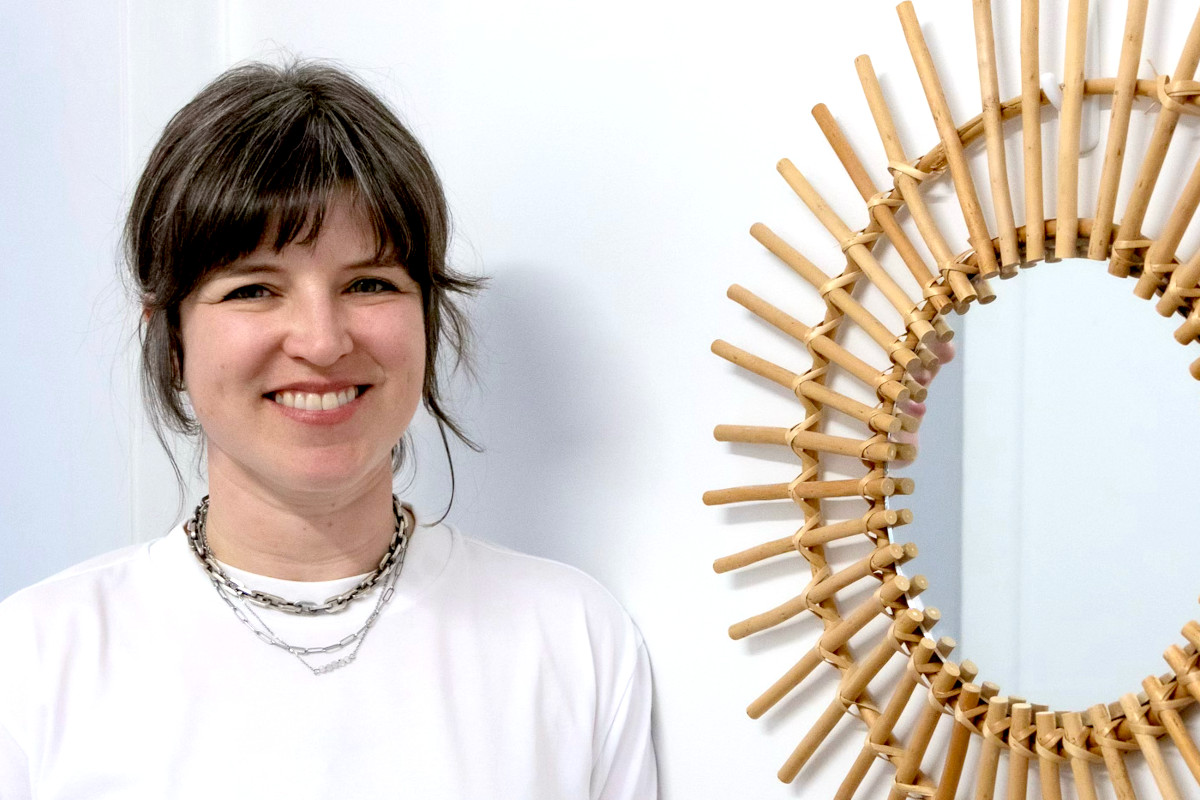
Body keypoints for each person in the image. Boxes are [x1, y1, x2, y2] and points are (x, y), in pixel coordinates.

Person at [0, 61, 657, 798]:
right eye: (254, 288)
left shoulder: (573, 640)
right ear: (172, 341)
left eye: (369, 283)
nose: (322, 340)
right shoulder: (32, 661)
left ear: (427, 318)